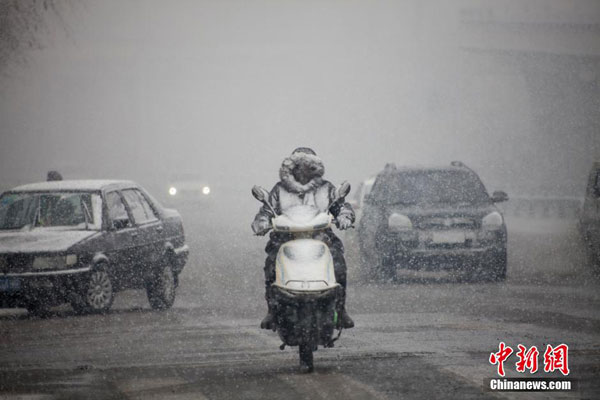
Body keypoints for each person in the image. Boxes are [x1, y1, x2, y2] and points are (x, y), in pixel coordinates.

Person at [252, 147, 355, 329]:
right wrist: (261, 222)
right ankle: (272, 310)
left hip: (321, 237)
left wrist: (344, 217)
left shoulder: (327, 188)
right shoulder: (280, 190)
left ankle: (341, 309)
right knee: (271, 264)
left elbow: (340, 206)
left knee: (338, 262)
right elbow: (267, 210)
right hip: (285, 238)